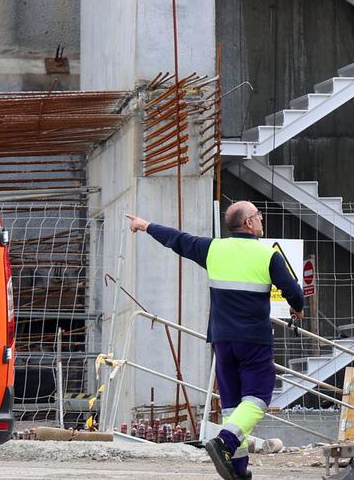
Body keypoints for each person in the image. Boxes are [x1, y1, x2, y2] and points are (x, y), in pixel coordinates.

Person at [128, 200, 305, 479]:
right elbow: (293, 291)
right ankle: (225, 442)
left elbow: (177, 239)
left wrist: (146, 225)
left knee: (233, 406)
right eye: (258, 216)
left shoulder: (213, 249)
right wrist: (298, 307)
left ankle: (237, 470)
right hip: (254, 340)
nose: (261, 220)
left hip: (222, 340)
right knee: (258, 398)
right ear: (248, 223)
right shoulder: (268, 256)